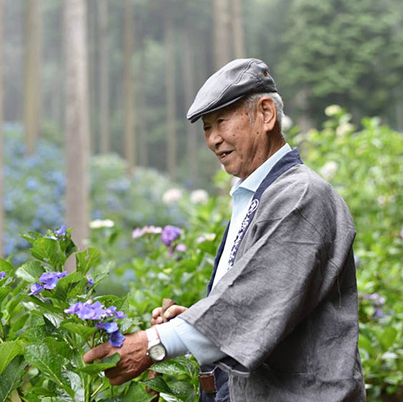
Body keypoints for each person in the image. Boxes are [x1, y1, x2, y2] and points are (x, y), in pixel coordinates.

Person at [83, 58, 365, 401]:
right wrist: (200, 322)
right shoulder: (256, 194)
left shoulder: (300, 196)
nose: (214, 139)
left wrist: (153, 344)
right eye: (206, 127)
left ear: (265, 114)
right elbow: (264, 302)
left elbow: (256, 298)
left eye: (222, 121)